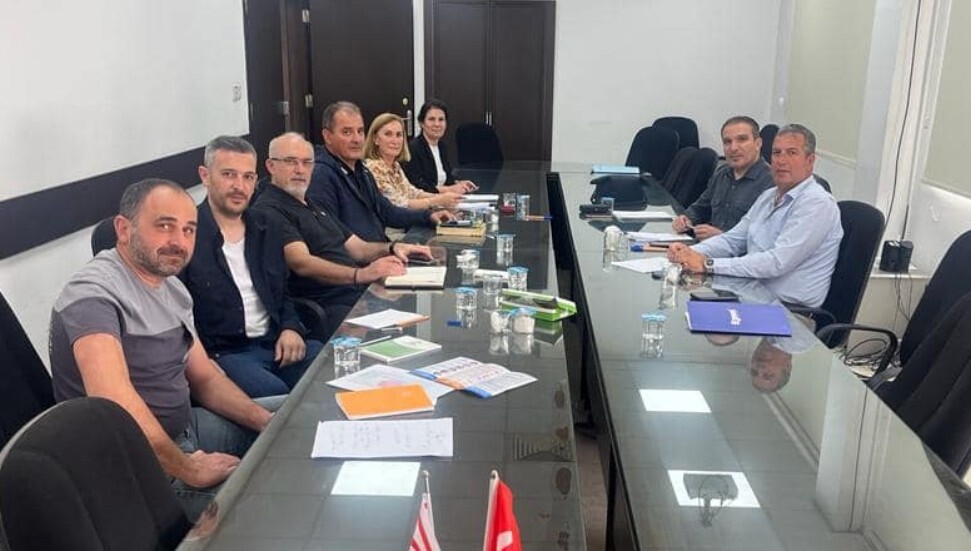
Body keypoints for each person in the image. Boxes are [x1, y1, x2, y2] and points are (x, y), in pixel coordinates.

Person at [49, 179, 278, 520]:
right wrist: (189, 468)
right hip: (135, 465)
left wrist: (267, 422)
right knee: (274, 504)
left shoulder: (173, 289)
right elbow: (115, 405)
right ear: (123, 229)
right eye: (164, 226)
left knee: (297, 418)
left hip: (185, 430)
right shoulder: (93, 295)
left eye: (188, 230)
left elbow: (205, 379)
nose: (179, 242)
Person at [179, 136, 323, 398]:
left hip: (274, 342)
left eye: (247, 177)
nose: (239, 186)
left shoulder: (266, 226)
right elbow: (177, 315)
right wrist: (200, 361)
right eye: (229, 175)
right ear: (205, 176)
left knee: (331, 369)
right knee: (275, 396)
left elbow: (283, 294)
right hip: (225, 353)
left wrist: (291, 327)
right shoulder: (187, 236)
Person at [252, 132, 432, 334]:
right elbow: (302, 263)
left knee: (422, 310)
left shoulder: (311, 204)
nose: (300, 170)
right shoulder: (270, 209)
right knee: (406, 333)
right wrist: (360, 275)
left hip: (358, 294)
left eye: (307, 163)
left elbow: (359, 249)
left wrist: (393, 247)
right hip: (329, 306)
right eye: (291, 162)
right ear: (271, 166)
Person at [667, 124, 842, 308]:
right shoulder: (769, 196)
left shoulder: (817, 204)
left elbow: (776, 262)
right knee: (681, 309)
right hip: (748, 295)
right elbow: (732, 240)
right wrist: (689, 253)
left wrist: (708, 264)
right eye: (776, 153)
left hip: (787, 311)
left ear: (810, 160)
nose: (781, 160)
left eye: (791, 153)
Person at [308, 101, 454, 243]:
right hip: (367, 255)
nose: (356, 139)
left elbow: (388, 211)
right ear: (327, 136)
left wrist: (428, 216)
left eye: (360, 131)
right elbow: (334, 240)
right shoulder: (322, 175)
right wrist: (388, 250)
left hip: (380, 246)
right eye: (347, 132)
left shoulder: (362, 170)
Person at [672, 116, 773, 240]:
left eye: (742, 140)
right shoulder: (722, 173)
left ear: (758, 144)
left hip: (736, 251)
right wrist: (686, 219)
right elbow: (700, 208)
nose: (733, 148)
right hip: (707, 246)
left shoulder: (772, 182)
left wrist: (723, 236)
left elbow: (767, 238)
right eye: (727, 142)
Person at [363, 112, 463, 211]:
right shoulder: (373, 167)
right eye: (388, 134)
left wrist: (443, 197)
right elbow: (398, 204)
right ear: (375, 139)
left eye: (399, 135)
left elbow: (412, 192)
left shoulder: (395, 165)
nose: (395, 140)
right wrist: (437, 200)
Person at [403, 98, 478, 194]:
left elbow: (445, 178)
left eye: (441, 119)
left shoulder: (442, 146)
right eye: (431, 119)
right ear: (422, 123)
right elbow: (417, 187)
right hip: (427, 200)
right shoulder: (413, 149)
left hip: (443, 198)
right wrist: (450, 189)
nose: (437, 124)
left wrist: (459, 183)